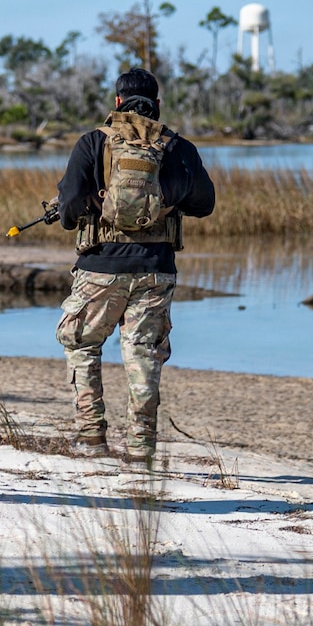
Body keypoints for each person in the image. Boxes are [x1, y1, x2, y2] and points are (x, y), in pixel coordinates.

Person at [53, 68, 217, 462]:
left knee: (81, 344)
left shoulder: (93, 142)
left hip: (99, 268)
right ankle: (141, 446)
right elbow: (205, 204)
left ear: (117, 103)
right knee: (143, 356)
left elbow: (69, 209)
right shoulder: (178, 148)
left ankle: (91, 437)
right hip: (156, 269)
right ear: (157, 105)